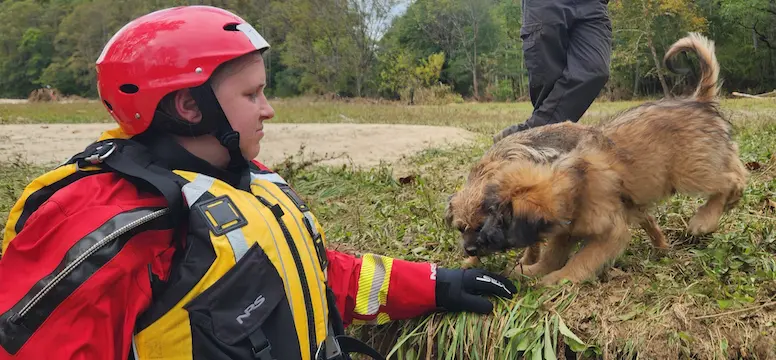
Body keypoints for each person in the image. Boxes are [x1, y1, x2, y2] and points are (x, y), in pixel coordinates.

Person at [0, 5, 518, 360]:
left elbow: (304, 278)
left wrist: (431, 285)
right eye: (252, 96)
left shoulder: (251, 180)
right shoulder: (107, 224)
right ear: (188, 106)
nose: (268, 110)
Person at [493, 0, 613, 143]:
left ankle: (526, 137)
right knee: (549, 81)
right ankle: (543, 146)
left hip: (592, 5)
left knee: (596, 68)